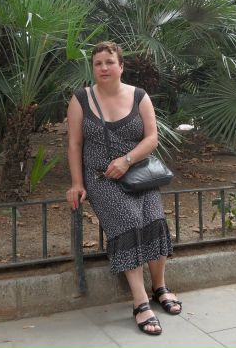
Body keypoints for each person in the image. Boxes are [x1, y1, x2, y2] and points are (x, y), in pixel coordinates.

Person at [66, 42, 181, 336]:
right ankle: (140, 301)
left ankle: (159, 287)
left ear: (121, 66)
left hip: (138, 174)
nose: (103, 68)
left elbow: (152, 138)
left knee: (154, 219)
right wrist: (77, 183)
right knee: (129, 222)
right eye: (98, 63)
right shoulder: (81, 99)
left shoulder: (139, 96)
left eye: (109, 62)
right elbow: (75, 144)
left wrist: (126, 161)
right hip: (102, 178)